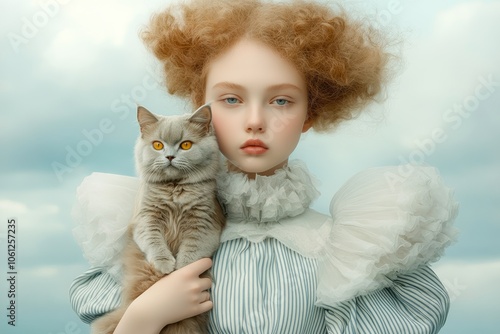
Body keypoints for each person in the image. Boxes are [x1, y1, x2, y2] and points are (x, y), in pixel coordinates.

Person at [69, 0, 459, 333]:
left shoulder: (349, 248)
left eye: (282, 101)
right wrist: (142, 318)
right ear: (198, 111)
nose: (254, 120)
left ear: (312, 111)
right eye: (231, 99)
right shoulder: (153, 227)